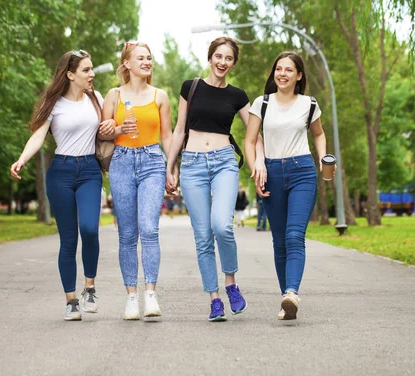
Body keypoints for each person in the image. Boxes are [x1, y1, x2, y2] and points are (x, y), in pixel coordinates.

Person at [165, 36, 266, 322]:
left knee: (222, 226)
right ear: (210, 57)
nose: (222, 62)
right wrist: (169, 167)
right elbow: (179, 130)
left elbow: (254, 132)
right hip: (193, 166)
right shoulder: (191, 87)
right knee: (202, 236)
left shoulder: (238, 95)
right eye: (218, 56)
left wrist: (259, 159)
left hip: (223, 163)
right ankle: (214, 299)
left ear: (233, 63)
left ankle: (231, 283)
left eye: (228, 58)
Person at [10, 50, 104, 321]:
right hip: (61, 172)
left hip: (89, 170)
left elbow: (109, 127)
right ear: (70, 74)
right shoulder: (54, 105)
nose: (92, 74)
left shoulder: (96, 99)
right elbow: (38, 136)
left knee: (89, 229)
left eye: (92, 69)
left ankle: (89, 287)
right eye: (86, 70)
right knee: (68, 239)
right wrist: (22, 159)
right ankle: (71, 300)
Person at [244, 51, 333, 321]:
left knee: (294, 236)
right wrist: (256, 168)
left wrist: (324, 158)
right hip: (271, 172)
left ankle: (292, 292)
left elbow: (318, 134)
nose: (282, 74)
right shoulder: (262, 103)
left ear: (299, 75)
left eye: (289, 70)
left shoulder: (308, 104)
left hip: (302, 171)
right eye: (278, 69)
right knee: (279, 241)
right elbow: (250, 141)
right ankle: (287, 300)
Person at [98, 42, 172, 320]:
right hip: (122, 163)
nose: (147, 61)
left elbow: (168, 135)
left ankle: (150, 294)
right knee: (127, 234)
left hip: (153, 161)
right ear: (126, 64)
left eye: (149, 58)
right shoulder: (114, 95)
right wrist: (117, 128)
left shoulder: (160, 96)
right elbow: (104, 134)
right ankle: (131, 297)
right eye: (140, 58)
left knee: (149, 229)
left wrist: (171, 166)